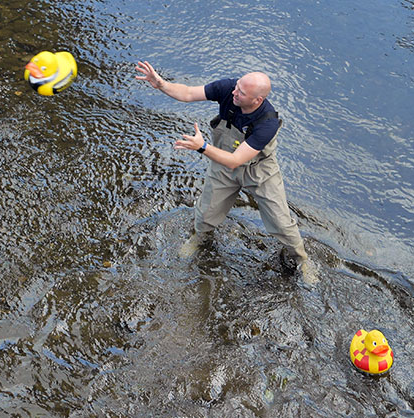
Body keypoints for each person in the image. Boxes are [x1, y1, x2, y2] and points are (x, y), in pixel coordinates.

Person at [135, 61, 317, 283]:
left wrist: (201, 147)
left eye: (241, 92)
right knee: (206, 212)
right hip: (222, 163)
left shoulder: (267, 123)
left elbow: (236, 160)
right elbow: (188, 93)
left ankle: (302, 259)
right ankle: (200, 238)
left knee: (280, 221)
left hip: (259, 171)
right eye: (236, 86)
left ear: (257, 100)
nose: (234, 92)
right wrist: (161, 84)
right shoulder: (228, 89)